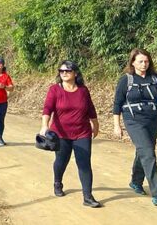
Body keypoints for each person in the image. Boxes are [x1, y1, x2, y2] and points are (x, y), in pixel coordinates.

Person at [40, 61, 101, 208]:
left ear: (75, 73)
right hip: (61, 134)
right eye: (61, 71)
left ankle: (88, 196)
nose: (64, 73)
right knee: (62, 161)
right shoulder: (55, 89)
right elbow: (47, 108)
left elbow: (90, 109)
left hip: (82, 132)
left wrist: (96, 125)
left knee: (84, 164)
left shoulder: (83, 90)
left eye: (67, 71)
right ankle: (57, 182)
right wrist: (44, 126)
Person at [112, 48, 157, 207]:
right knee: (148, 153)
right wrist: (117, 125)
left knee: (145, 150)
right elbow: (117, 104)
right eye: (140, 61)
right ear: (133, 63)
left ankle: (136, 181)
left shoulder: (155, 78)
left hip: (152, 118)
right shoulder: (126, 80)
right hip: (133, 120)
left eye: (146, 61)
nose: (144, 64)